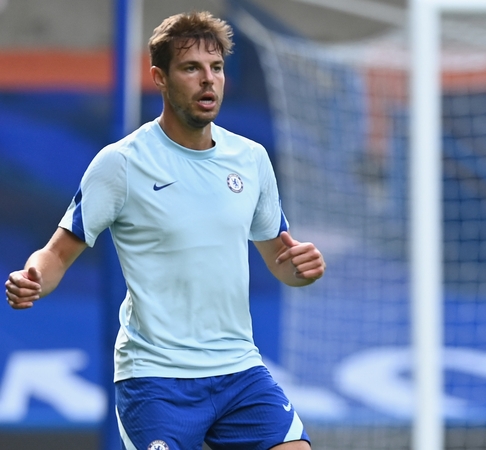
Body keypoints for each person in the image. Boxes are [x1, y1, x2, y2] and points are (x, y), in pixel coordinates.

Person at [5, 11, 322, 450]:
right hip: (156, 379)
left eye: (216, 68)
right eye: (191, 68)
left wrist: (301, 269)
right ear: (159, 77)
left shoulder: (251, 159)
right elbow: (57, 253)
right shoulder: (121, 163)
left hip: (239, 370)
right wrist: (34, 278)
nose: (207, 80)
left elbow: (281, 262)